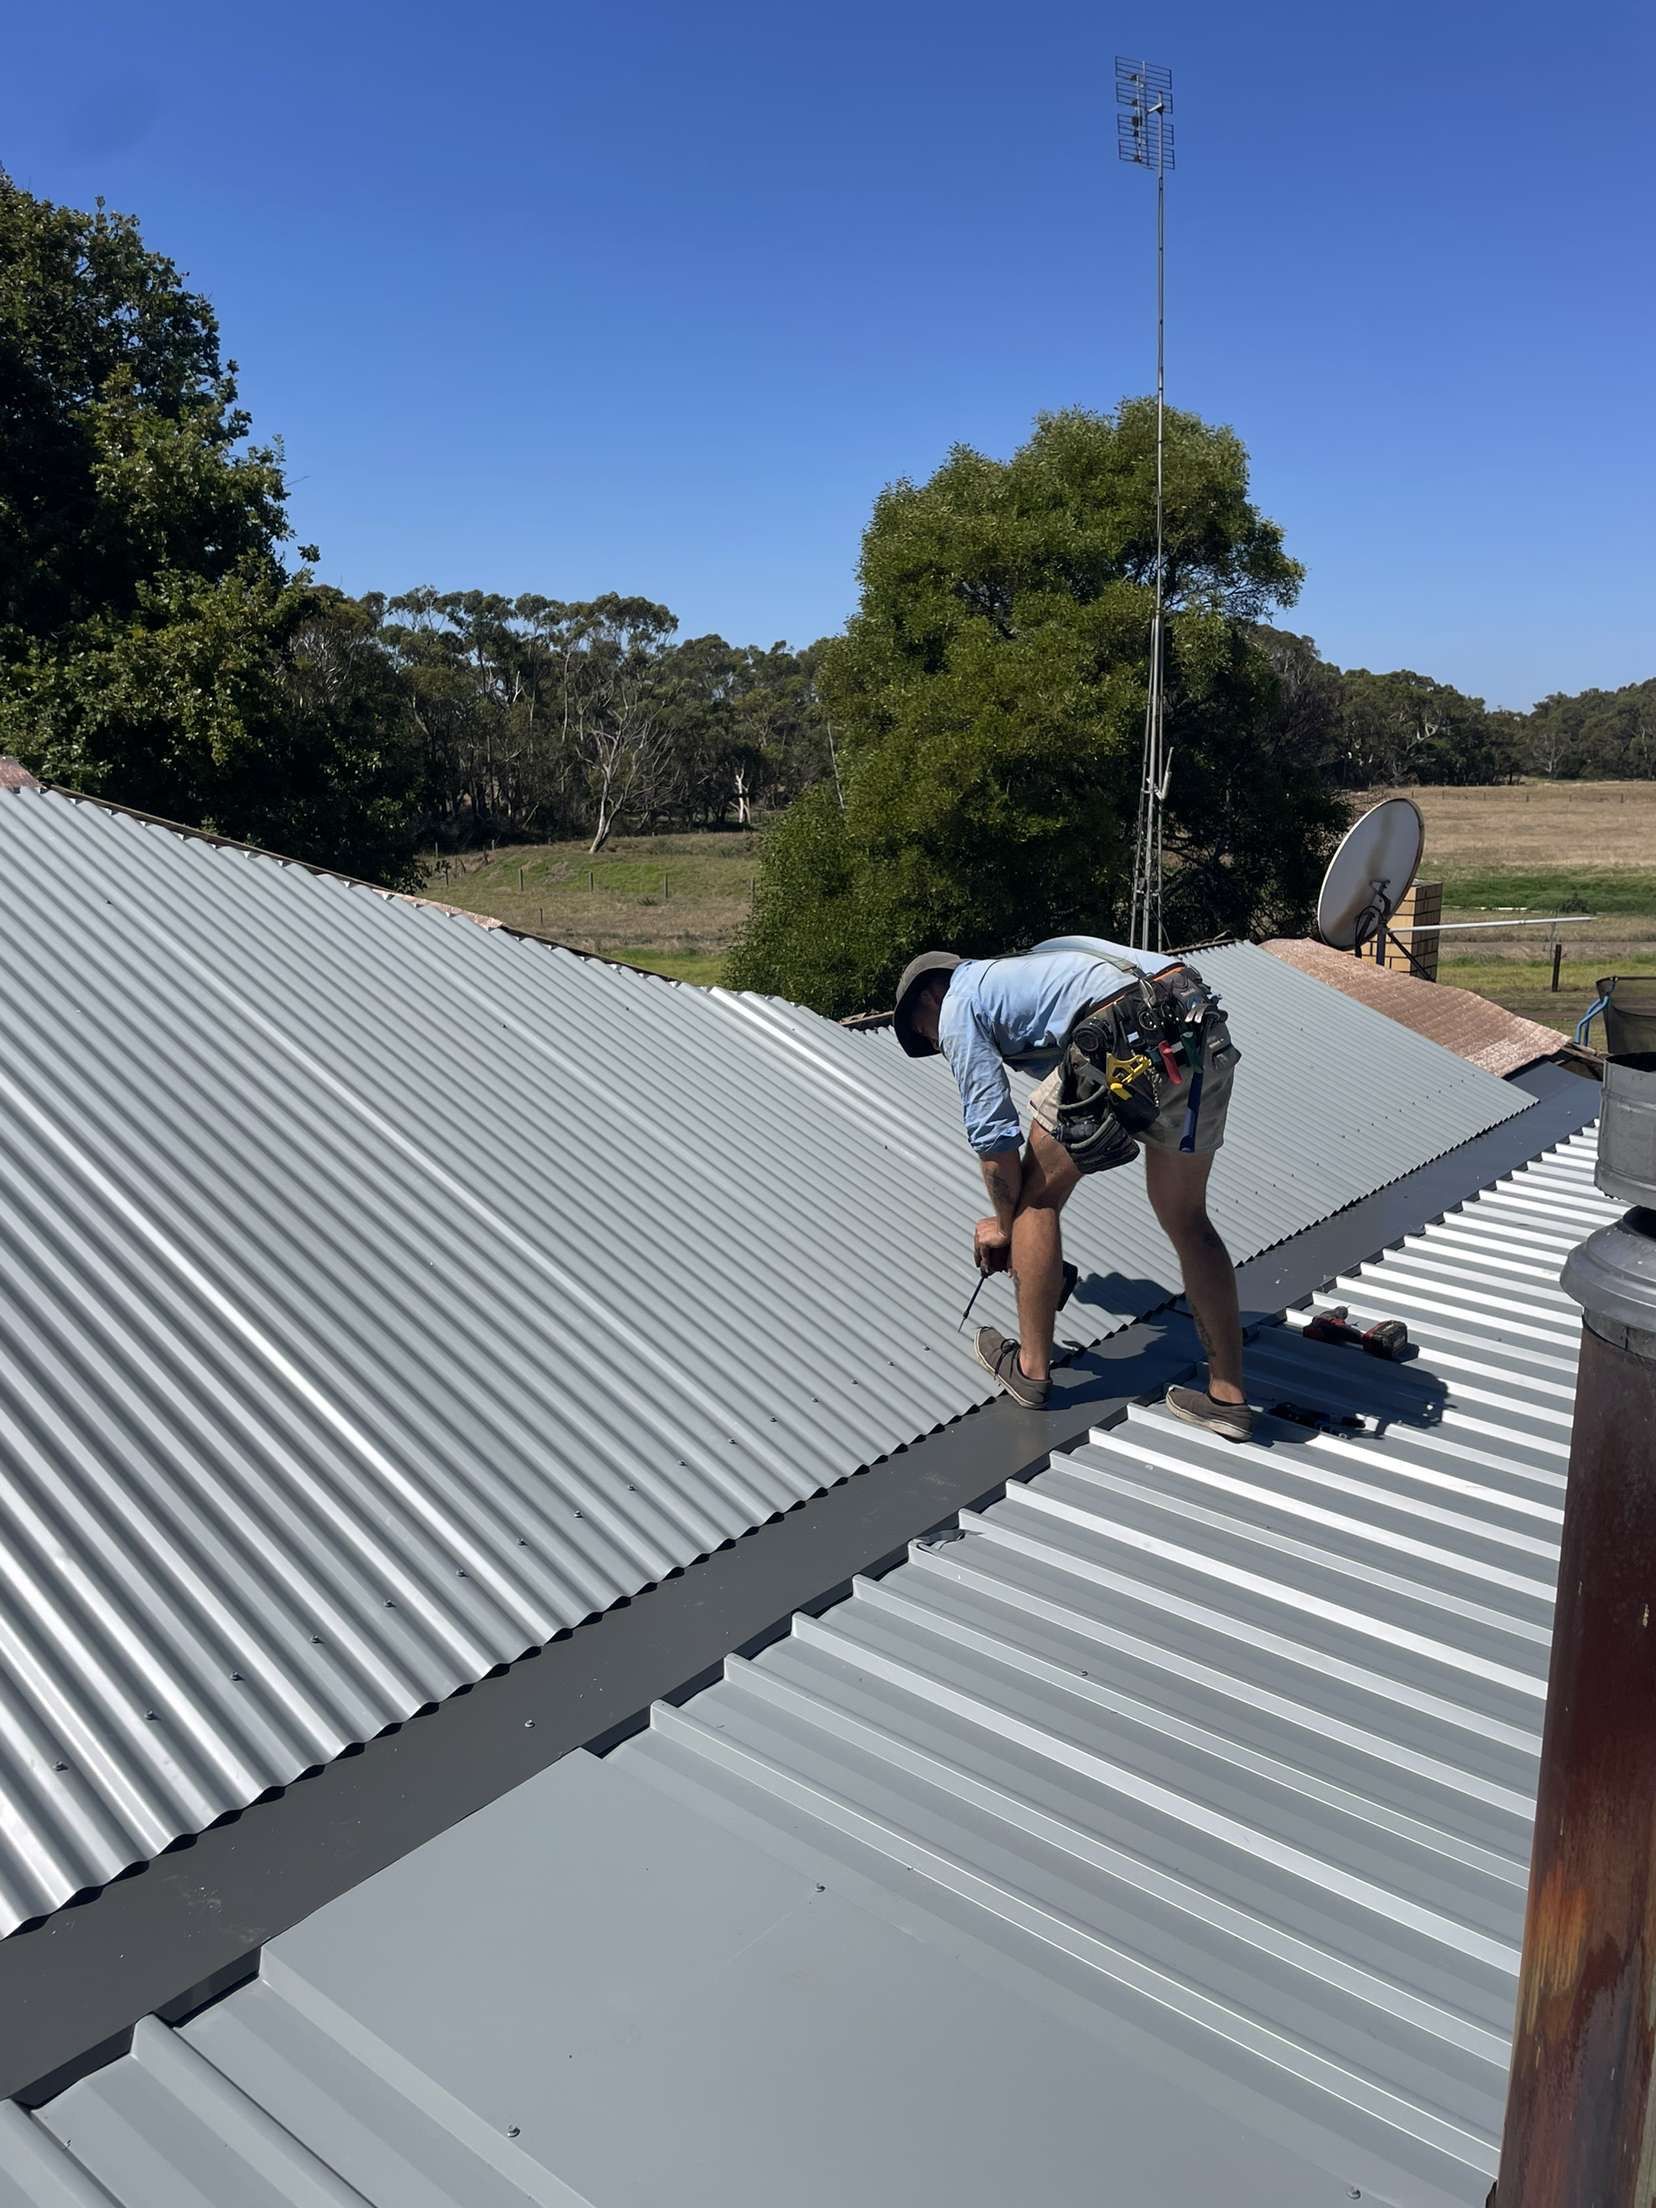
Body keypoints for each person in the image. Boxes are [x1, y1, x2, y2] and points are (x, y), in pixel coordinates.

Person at [893, 942, 1252, 1441]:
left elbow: (994, 1139)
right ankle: (1227, 1398)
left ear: (927, 998)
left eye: (923, 1035)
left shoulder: (957, 1003)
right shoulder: (1039, 970)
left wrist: (1004, 1227)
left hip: (1121, 1030)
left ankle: (1031, 1370)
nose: (934, 1043)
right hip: (1200, 1029)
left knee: (1035, 1201)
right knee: (1188, 1216)